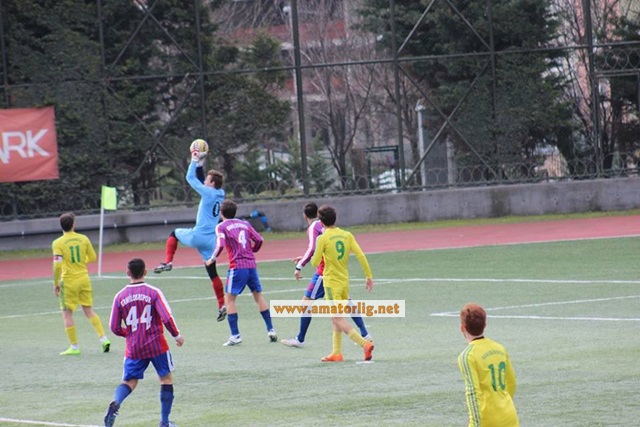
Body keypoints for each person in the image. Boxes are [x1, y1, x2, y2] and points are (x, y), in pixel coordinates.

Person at [104, 258, 184, 427]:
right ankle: (164, 422)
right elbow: (166, 317)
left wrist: (129, 334)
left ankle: (116, 402)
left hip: (134, 347)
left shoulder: (119, 296)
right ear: (145, 272)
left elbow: (113, 326)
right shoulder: (153, 292)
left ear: (128, 273)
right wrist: (176, 335)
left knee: (129, 381)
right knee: (166, 379)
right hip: (157, 345)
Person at [153, 143, 227, 323]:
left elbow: (190, 178)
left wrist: (194, 160)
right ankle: (221, 304)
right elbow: (202, 180)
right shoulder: (220, 193)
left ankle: (168, 262)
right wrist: (201, 163)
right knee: (213, 273)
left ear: (212, 184)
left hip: (198, 236)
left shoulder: (208, 193)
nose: (205, 182)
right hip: (211, 241)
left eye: (208, 180)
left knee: (174, 234)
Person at [281, 202, 371, 348]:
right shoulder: (331, 229)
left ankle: (300, 339)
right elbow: (322, 249)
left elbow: (313, 249)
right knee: (346, 302)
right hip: (338, 272)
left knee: (307, 304)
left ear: (304, 215)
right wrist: (305, 257)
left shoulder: (313, 227)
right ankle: (364, 334)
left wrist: (300, 266)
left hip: (324, 273)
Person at [205, 199, 277, 346]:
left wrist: (212, 258)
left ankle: (235, 335)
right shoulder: (245, 224)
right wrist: (253, 250)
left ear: (221, 213)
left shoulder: (221, 226)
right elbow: (259, 239)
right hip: (251, 265)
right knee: (258, 296)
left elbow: (220, 244)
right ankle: (271, 330)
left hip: (237, 266)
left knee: (229, 299)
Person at [310, 205, 374, 362]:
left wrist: (318, 253)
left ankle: (364, 343)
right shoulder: (347, 235)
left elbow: (315, 263)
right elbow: (360, 255)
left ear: (321, 222)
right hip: (344, 282)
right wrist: (368, 276)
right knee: (336, 318)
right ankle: (336, 352)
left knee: (336, 318)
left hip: (331, 284)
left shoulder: (322, 238)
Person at [52, 212, 110, 356]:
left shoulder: (58, 243)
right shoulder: (83, 239)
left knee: (67, 314)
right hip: (84, 279)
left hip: (69, 281)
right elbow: (93, 257)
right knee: (89, 310)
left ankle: (74, 346)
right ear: (73, 225)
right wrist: (80, 262)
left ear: (61, 226)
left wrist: (55, 283)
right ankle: (103, 339)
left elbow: (57, 265)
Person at [458, 303, 519, 427]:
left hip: (487, 420)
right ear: (485, 325)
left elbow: (473, 393)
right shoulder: (499, 348)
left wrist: (474, 424)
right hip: (509, 416)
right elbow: (511, 382)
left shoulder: (467, 356)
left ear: (462, 327)